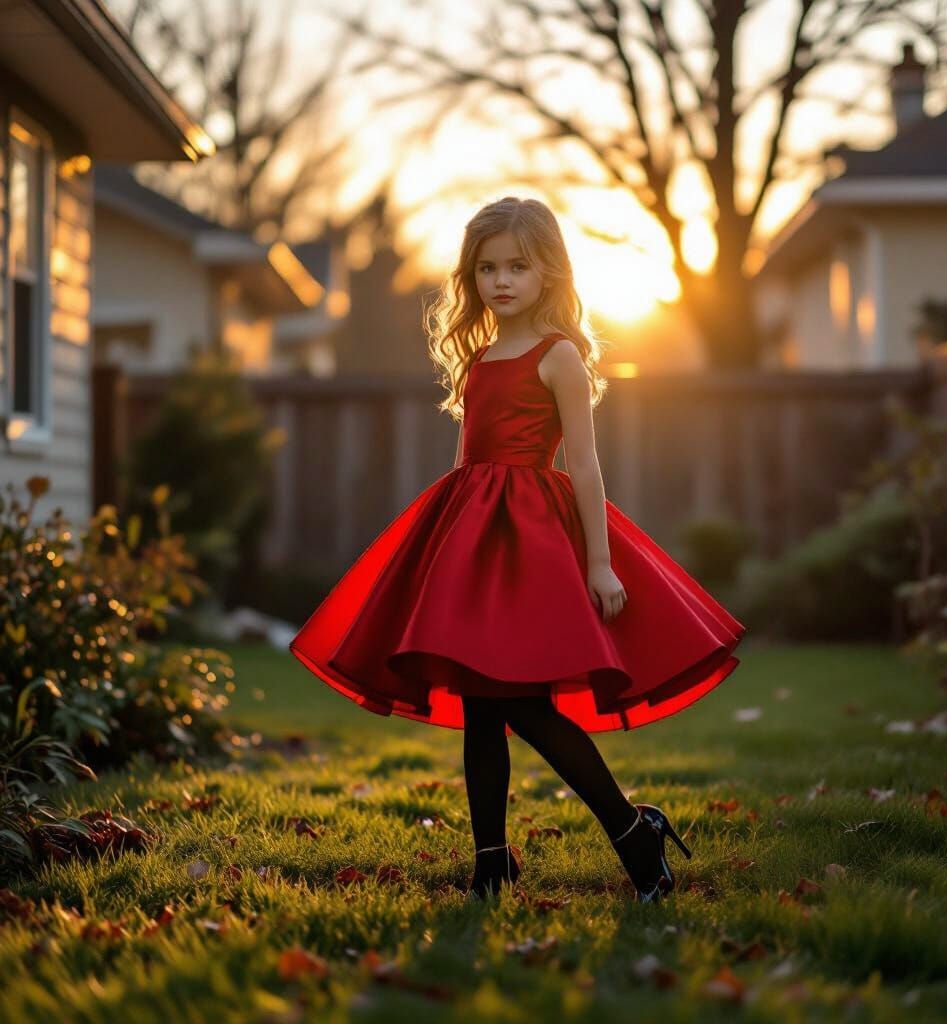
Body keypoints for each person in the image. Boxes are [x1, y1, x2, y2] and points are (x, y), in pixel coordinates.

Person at [289, 196, 745, 903]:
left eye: (517, 267)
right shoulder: (478, 357)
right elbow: (469, 460)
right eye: (487, 268)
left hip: (531, 545)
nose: (501, 281)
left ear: (549, 273)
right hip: (468, 541)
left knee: (527, 707)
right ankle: (491, 862)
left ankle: (632, 831)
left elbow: (586, 466)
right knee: (479, 708)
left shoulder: (559, 355)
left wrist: (597, 562)